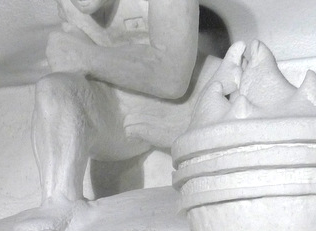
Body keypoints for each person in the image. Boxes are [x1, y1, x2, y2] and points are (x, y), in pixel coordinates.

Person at [33, 0, 200, 204]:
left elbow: (173, 79)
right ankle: (59, 204)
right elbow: (71, 63)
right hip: (116, 111)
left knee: (228, 94)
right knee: (52, 90)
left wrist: (87, 57)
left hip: (182, 110)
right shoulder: (68, 5)